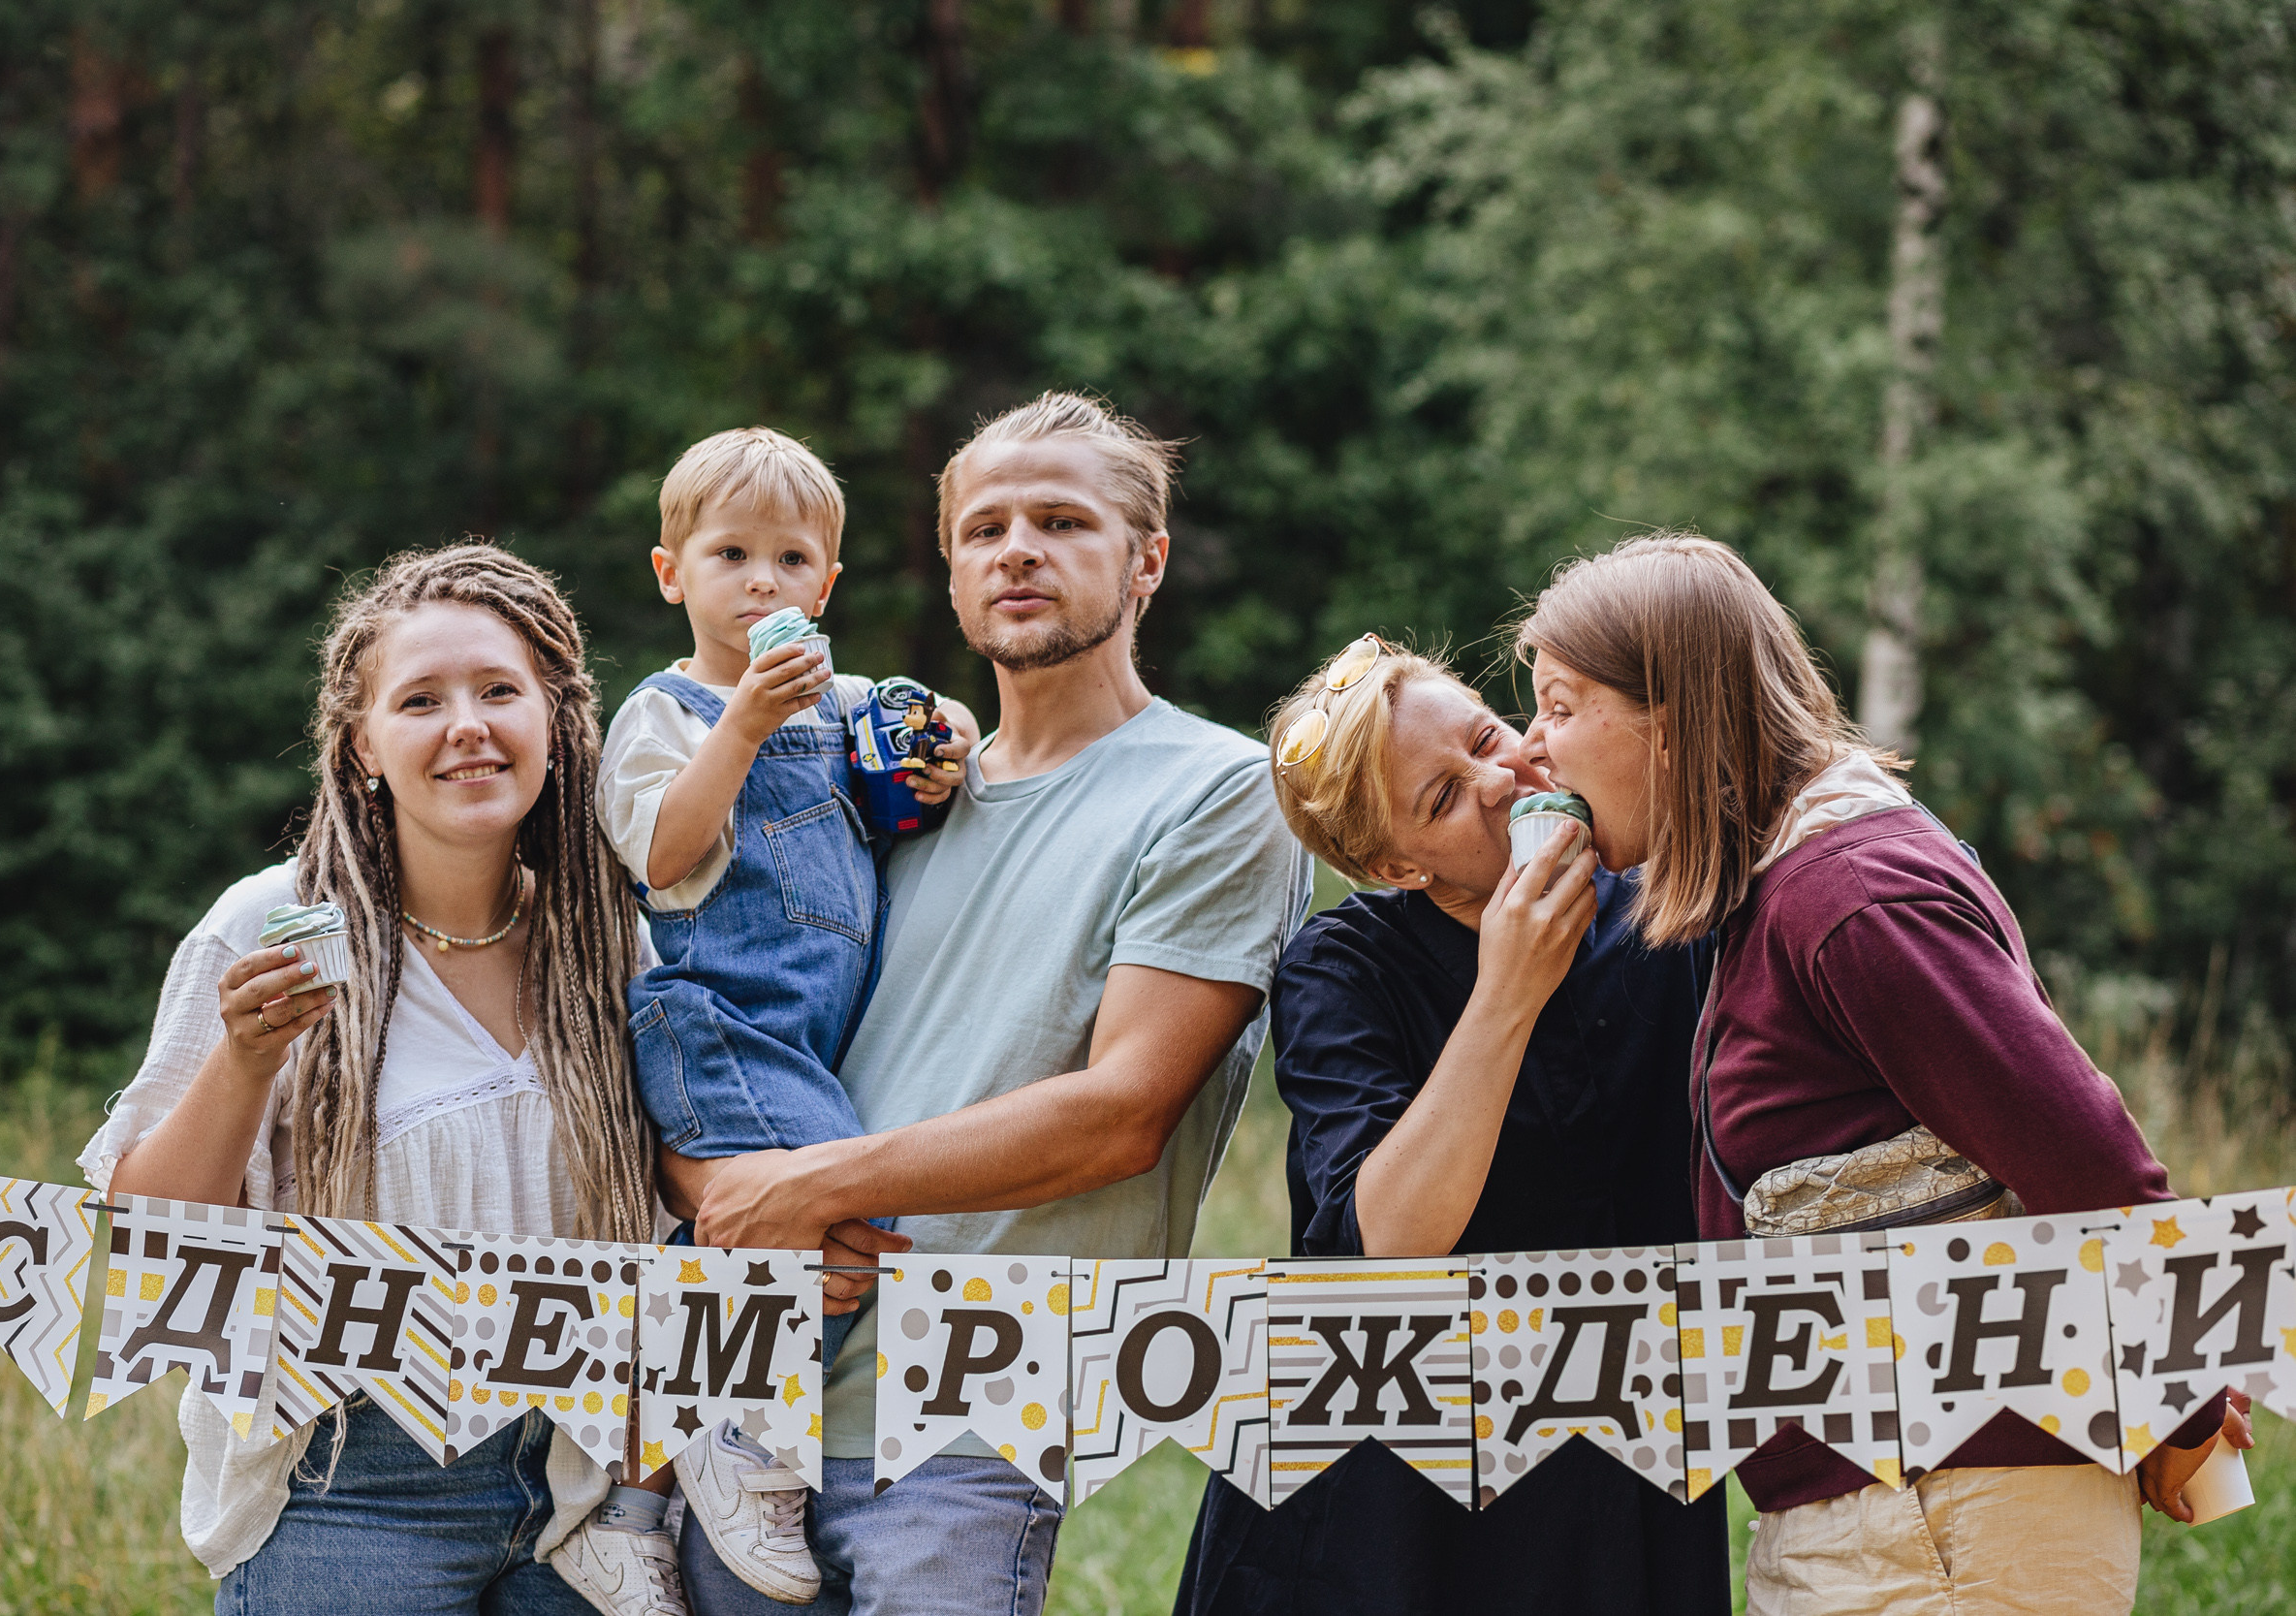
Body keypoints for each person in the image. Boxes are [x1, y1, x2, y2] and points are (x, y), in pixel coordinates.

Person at [1511, 531, 2253, 1616]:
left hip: (1949, 1516)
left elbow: (2091, 1156)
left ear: (1669, 721)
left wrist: (2184, 1414)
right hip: (1899, 1511)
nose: (1535, 747)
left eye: (1561, 706)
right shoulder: (1780, 889)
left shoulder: (1850, 895)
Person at [659, 393, 1312, 1616]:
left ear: (1146, 561)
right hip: (751, 1405)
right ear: (951, 570)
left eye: (1062, 521)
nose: (1017, 550)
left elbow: (1122, 1112)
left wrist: (812, 1187)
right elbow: (715, 1020)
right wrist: (724, 1191)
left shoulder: (1219, 791)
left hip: (970, 1412)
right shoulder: (888, 789)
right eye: (984, 528)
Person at [81, 545, 681, 1616]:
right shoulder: (268, 924)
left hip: (582, 1498)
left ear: (554, 719)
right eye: (420, 700)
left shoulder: (609, 937)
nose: (468, 725)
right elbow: (151, 1237)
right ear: (363, 743)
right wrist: (246, 1058)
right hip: (349, 1490)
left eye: (499, 690)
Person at [1172, 638, 1730, 1616]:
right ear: (1395, 865)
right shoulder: (1344, 966)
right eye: (1441, 798)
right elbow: (1384, 1241)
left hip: (1622, 1473)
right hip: (1384, 1503)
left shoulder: (1667, 908)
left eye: (1484, 736)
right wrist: (1507, 990)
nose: (1498, 779)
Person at [593, 428, 976, 1608]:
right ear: (673, 574)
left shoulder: (844, 700)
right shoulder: (663, 713)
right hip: (720, 1017)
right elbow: (662, 852)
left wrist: (946, 745)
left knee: (727, 1251)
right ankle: (741, 1442)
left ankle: (627, 1509)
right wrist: (743, 724)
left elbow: (929, 726)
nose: (763, 582)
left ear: (827, 584)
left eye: (792, 560)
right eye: (731, 555)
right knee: (840, 1209)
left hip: (808, 1036)